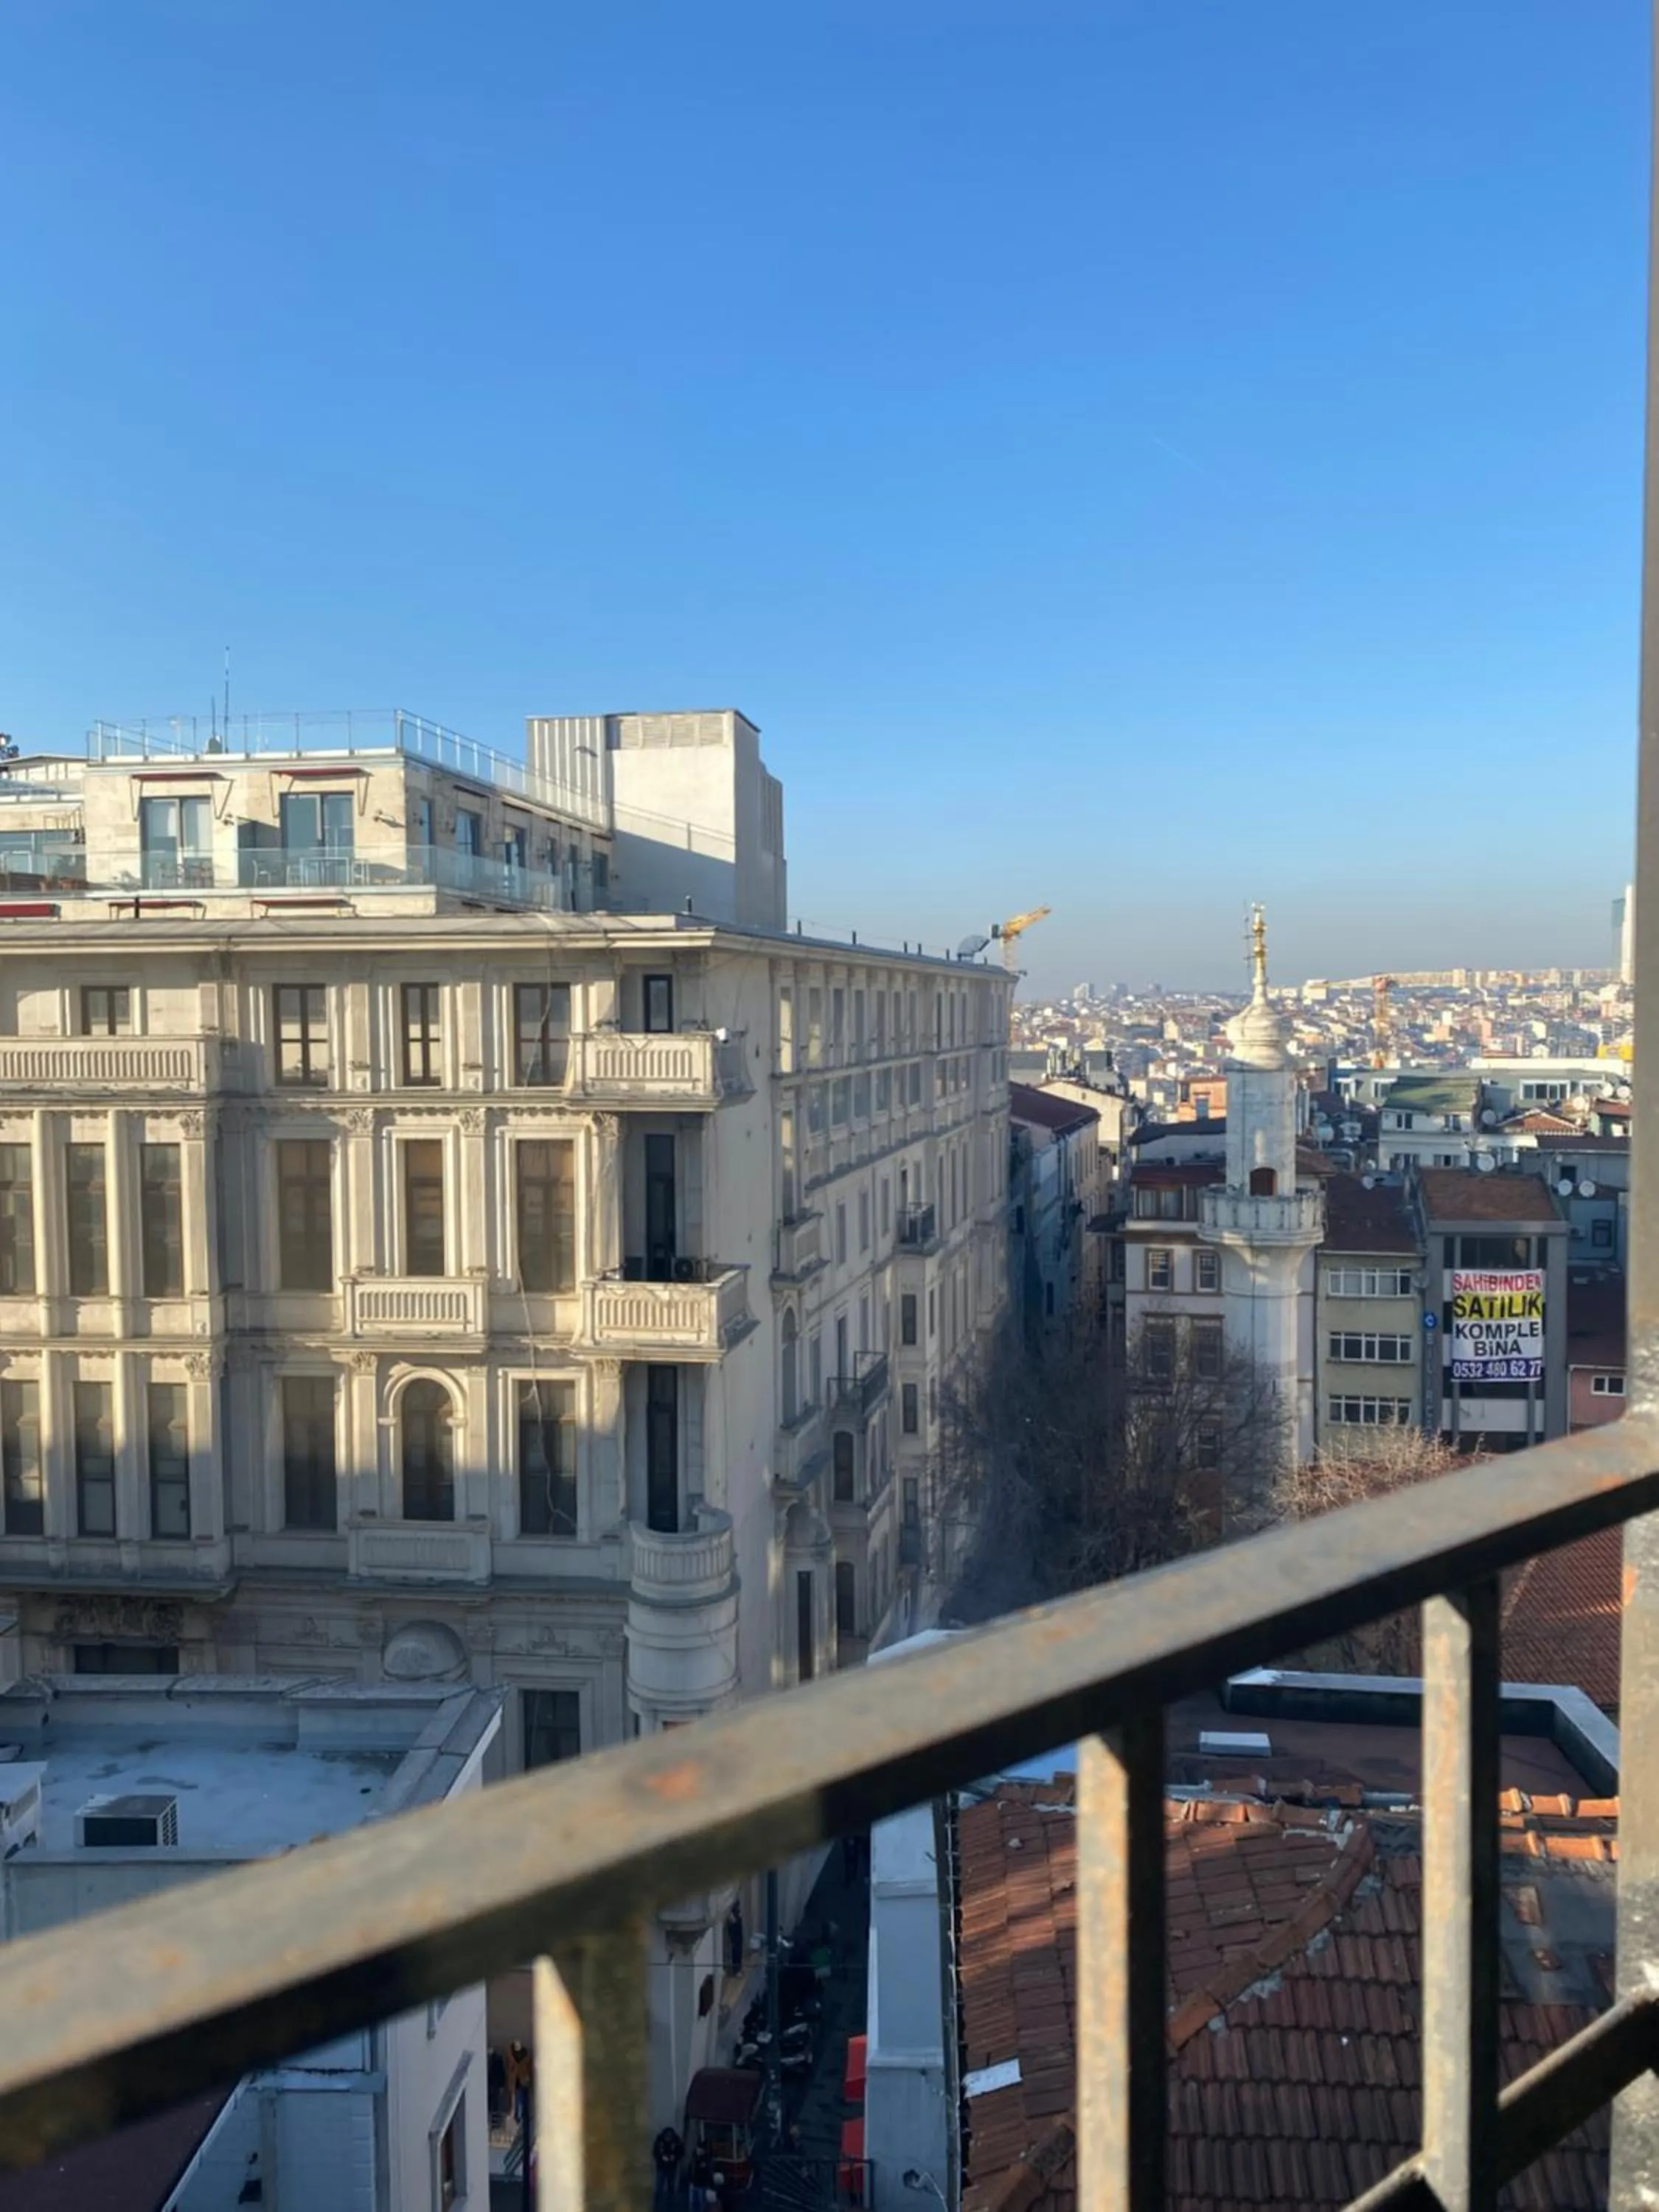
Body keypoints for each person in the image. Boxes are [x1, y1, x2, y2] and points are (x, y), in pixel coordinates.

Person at [653, 2126, 684, 2212]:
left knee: (671, 2188)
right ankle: (656, 2208)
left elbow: (682, 2152)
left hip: (671, 2168)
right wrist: (662, 2158)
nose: (668, 2139)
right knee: (659, 2188)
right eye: (667, 2138)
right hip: (661, 2167)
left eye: (669, 2138)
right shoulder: (660, 2140)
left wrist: (675, 2157)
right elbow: (655, 2152)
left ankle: (670, 2207)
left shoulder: (677, 2141)